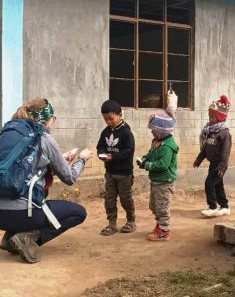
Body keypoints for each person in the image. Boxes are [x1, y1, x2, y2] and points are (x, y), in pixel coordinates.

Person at [0, 98, 92, 263]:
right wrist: (82, 160)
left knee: (27, 193)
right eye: (53, 119)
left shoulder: (7, 134)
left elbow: (26, 167)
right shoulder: (42, 137)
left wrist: (59, 160)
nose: (52, 124)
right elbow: (69, 178)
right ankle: (28, 239)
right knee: (78, 213)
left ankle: (9, 238)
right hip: (22, 214)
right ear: (46, 120)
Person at [137, 102, 179, 241]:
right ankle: (159, 225)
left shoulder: (167, 147)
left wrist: (147, 165)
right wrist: (145, 159)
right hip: (156, 181)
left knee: (162, 206)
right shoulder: (157, 141)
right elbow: (151, 153)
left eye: (153, 129)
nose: (152, 131)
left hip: (164, 182)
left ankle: (164, 230)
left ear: (161, 130)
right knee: (154, 206)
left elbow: (163, 164)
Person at [97, 100, 136, 235]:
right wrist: (101, 155)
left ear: (120, 115)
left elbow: (129, 151)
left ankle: (131, 221)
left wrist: (112, 157)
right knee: (109, 199)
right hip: (110, 173)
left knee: (126, 198)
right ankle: (112, 224)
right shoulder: (105, 132)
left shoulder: (126, 132)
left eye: (111, 118)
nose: (108, 121)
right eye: (105, 119)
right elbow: (100, 147)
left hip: (124, 174)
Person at [193, 95, 232, 218]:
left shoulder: (224, 134)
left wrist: (221, 167)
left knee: (209, 183)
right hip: (213, 164)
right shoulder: (210, 131)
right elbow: (206, 149)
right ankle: (225, 206)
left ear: (219, 118)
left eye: (212, 116)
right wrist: (199, 159)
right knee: (218, 185)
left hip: (220, 165)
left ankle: (213, 207)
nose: (210, 118)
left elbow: (226, 153)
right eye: (209, 116)